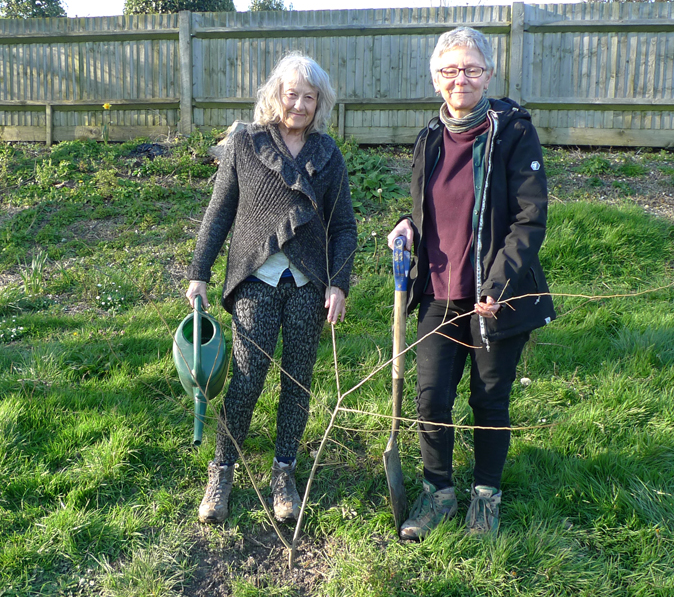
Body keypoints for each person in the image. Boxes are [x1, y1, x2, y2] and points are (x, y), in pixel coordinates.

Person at [387, 27, 555, 539]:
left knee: (488, 399)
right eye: (450, 70)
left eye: (471, 69)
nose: (461, 79)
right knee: (431, 397)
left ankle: (486, 496)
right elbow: (436, 208)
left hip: (493, 295)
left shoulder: (512, 132)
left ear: (488, 75)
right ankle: (438, 493)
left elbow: (530, 217)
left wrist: (498, 285)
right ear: (435, 79)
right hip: (440, 291)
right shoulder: (430, 138)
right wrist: (407, 225)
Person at [185, 52, 357, 524]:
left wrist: (338, 284)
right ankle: (221, 471)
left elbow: (343, 226)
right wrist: (198, 272)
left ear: (319, 102)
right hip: (255, 282)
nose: (299, 104)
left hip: (308, 286)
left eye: (309, 96)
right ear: (275, 95)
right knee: (244, 382)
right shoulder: (246, 144)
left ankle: (284, 472)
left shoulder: (328, 154)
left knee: (297, 385)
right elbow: (220, 211)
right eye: (291, 94)